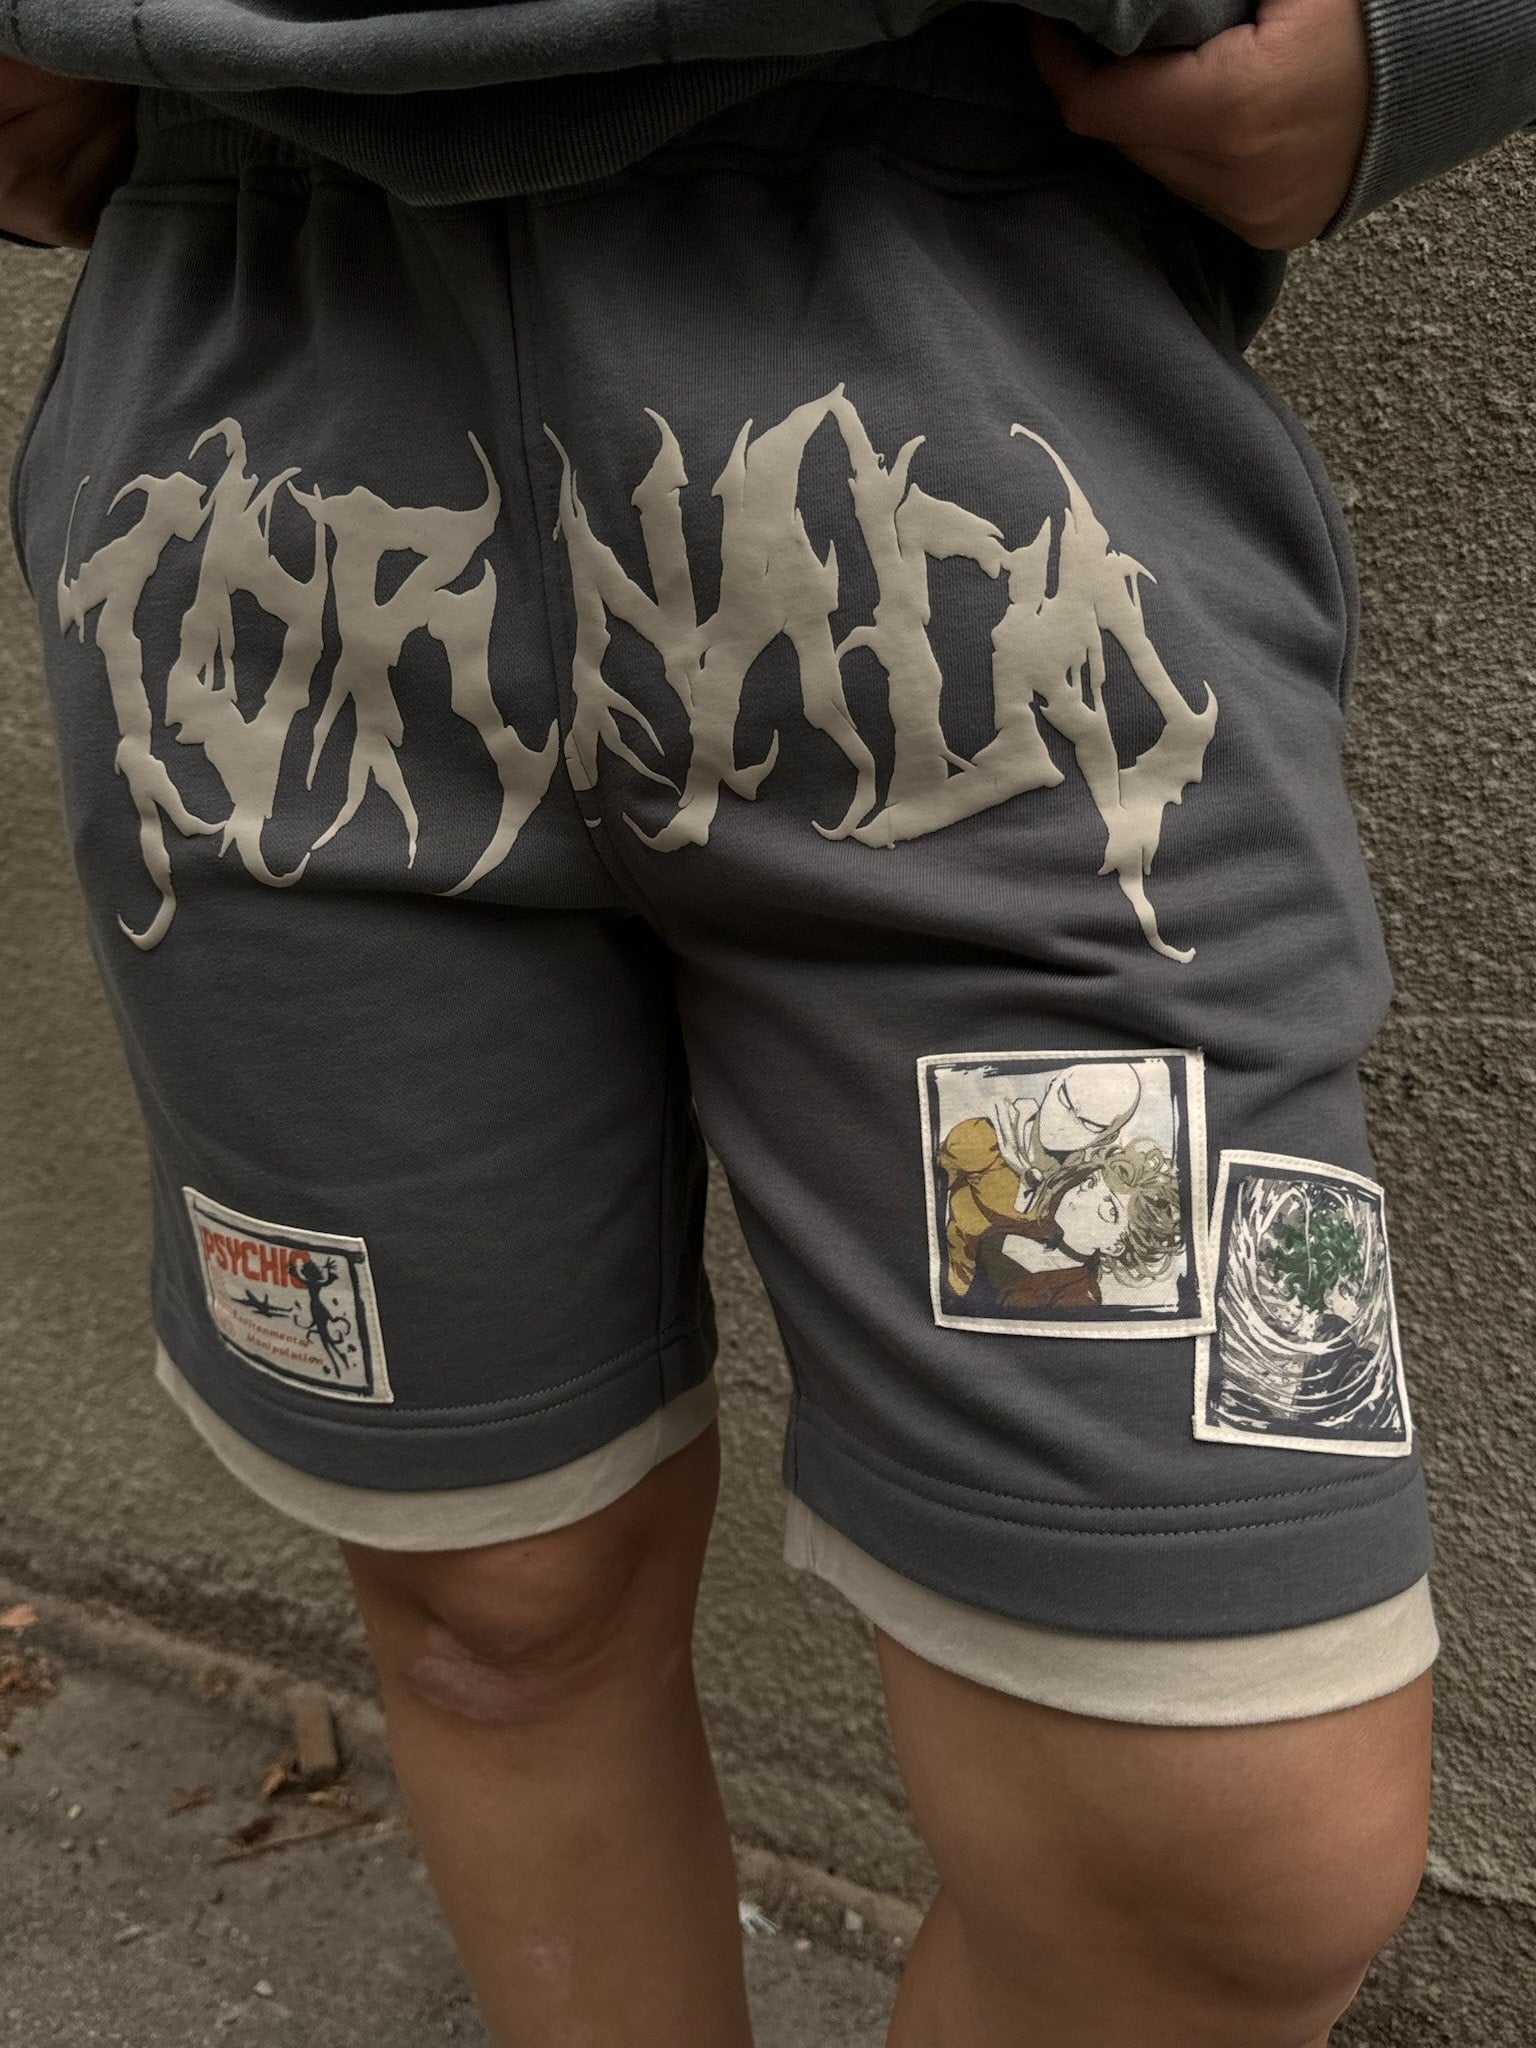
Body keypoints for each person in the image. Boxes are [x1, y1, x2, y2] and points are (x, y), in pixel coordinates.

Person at [2, 3, 1530, 2043]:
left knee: (1219, 1849)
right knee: (491, 1609)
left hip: (967, 493)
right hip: (255, 500)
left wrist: (1437, 34)